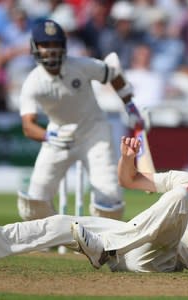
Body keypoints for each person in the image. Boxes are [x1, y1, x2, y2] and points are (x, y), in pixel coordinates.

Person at [0, 136, 188, 273]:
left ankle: (104, 249)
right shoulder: (187, 179)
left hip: (162, 260)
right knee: (64, 222)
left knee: (179, 198)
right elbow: (130, 180)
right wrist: (127, 158)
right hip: (130, 243)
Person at [16, 19, 145, 221]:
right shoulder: (33, 83)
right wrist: (48, 136)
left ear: (64, 46)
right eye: (45, 45)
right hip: (58, 137)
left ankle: (101, 243)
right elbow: (27, 126)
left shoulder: (80, 66)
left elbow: (112, 72)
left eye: (55, 44)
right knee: (34, 203)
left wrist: (129, 104)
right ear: (35, 47)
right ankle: (48, 238)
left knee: (109, 199)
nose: (51, 50)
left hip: (94, 133)